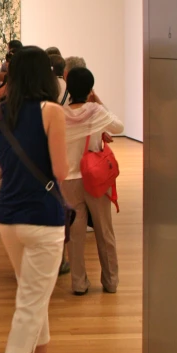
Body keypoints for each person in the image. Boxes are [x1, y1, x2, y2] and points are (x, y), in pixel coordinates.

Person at [0, 46, 68, 353]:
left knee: (34, 293)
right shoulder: (52, 112)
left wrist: (9, 187)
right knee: (31, 302)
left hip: (8, 218)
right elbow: (61, 173)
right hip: (44, 219)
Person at [61, 67, 124, 296]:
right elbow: (119, 127)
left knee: (75, 236)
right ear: (90, 89)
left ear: (68, 88)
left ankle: (79, 283)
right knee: (104, 231)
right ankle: (110, 281)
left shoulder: (60, 114)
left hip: (69, 180)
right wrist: (99, 102)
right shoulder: (96, 111)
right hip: (96, 178)